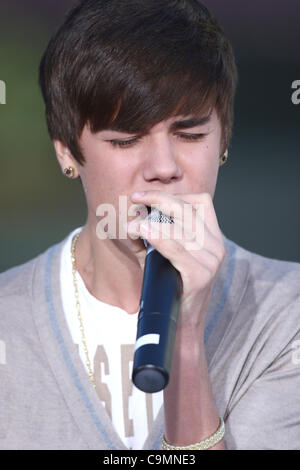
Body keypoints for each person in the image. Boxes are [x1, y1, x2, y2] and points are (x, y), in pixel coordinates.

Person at [0, 0, 300, 451]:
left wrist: (188, 343)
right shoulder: (11, 321)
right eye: (126, 140)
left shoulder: (284, 315)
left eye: (191, 135)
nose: (164, 167)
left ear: (225, 138)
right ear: (66, 152)